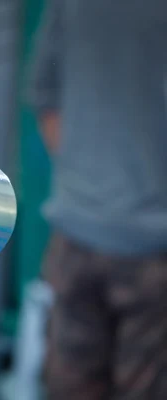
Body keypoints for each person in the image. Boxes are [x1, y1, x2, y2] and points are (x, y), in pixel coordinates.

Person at [29, 0, 167, 398]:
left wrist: (89, 180)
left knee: (69, 386)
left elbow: (46, 103)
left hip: (77, 231)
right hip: (154, 248)